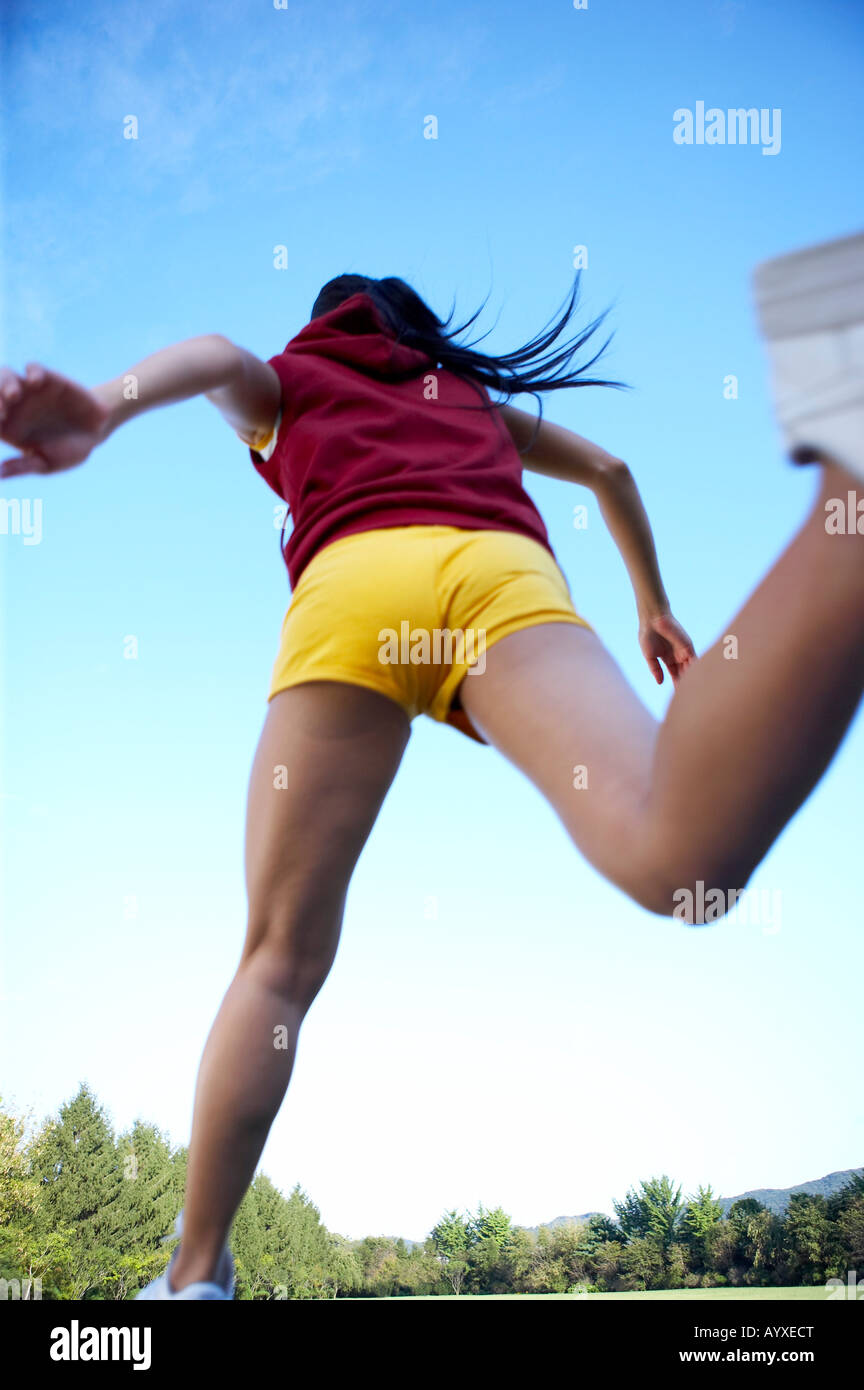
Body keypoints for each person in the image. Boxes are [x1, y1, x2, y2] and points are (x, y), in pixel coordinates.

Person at [1, 234, 861, 1299]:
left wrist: (102, 401)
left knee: (276, 961)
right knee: (674, 847)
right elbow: (614, 469)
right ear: (412, 324)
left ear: (325, 320)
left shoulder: (299, 377)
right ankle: (851, 498)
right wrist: (653, 603)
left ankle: (191, 1275)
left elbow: (221, 356)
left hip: (354, 587)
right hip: (497, 576)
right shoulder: (464, 393)